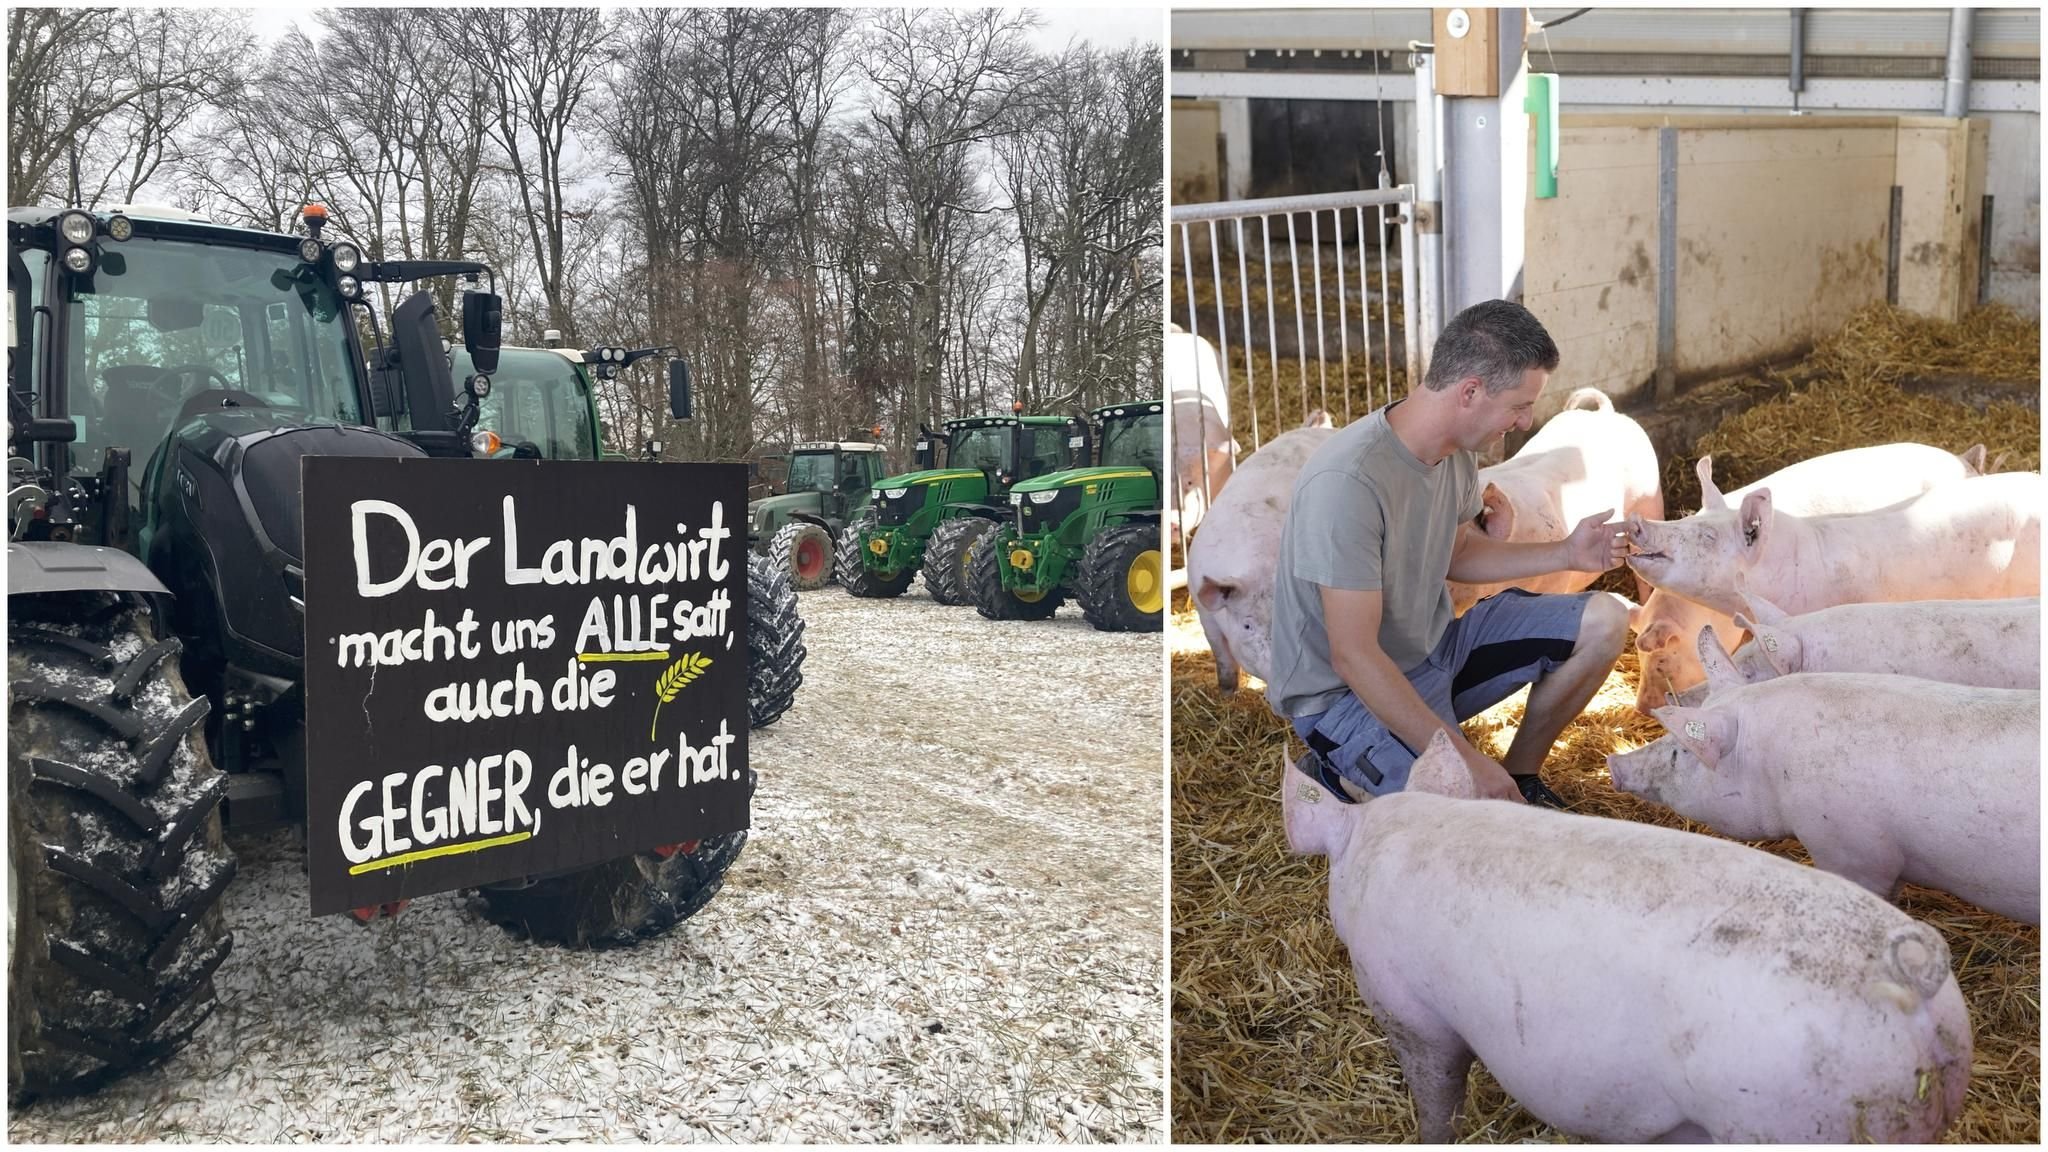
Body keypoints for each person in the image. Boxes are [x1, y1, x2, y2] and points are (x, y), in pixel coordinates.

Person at [1265, 299, 1630, 808]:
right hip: (1343, 697)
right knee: (1469, 811)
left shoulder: (1456, 453)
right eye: (1520, 406)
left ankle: (1519, 776)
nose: (1525, 422)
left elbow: (1457, 551)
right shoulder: (1347, 482)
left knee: (1607, 620)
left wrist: (1566, 553)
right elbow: (1353, 654)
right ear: (1471, 392)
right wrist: (1461, 757)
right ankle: (1335, 769)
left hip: (1434, 652)